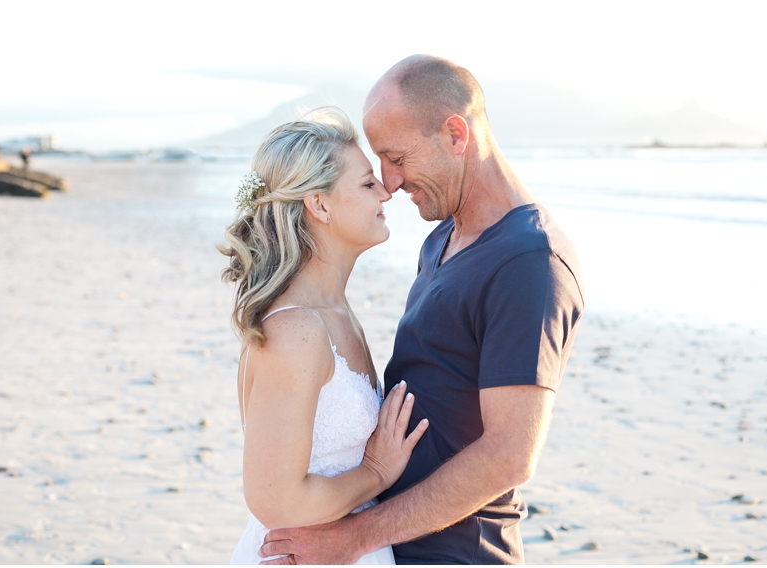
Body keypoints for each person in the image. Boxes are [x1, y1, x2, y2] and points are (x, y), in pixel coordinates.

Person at [259, 55, 585, 564]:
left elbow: (509, 457)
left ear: (456, 134)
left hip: (458, 552)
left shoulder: (528, 260)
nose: (389, 181)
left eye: (396, 157)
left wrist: (354, 536)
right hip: (392, 546)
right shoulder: (440, 241)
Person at [219, 107, 429, 565]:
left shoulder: (335, 313)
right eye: (366, 182)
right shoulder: (295, 330)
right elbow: (276, 501)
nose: (386, 193)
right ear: (320, 204)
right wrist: (375, 472)